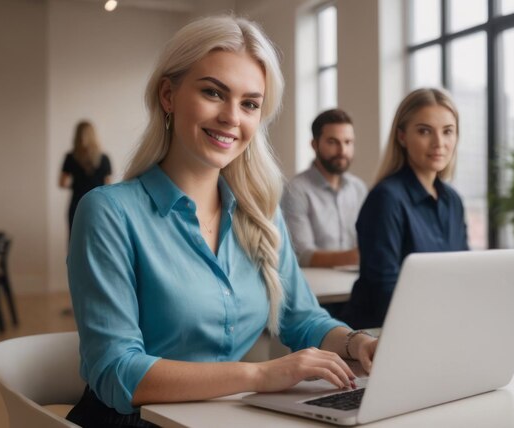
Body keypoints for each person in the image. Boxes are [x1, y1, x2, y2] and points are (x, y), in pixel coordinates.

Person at [65, 15, 377, 427]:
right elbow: (116, 372)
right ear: (168, 95)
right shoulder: (109, 213)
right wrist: (261, 375)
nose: (233, 117)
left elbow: (300, 318)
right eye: (214, 92)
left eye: (250, 103)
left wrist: (357, 343)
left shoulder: (260, 213)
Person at [340, 88, 469, 329]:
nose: (439, 143)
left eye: (448, 131)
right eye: (424, 131)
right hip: (380, 336)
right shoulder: (386, 199)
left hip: (437, 328)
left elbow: (463, 275)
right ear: (402, 136)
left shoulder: (453, 201)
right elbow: (384, 293)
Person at [281, 109, 367, 268]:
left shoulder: (358, 188)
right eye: (333, 142)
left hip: (355, 282)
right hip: (316, 287)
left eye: (348, 142)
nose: (342, 151)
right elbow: (303, 256)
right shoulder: (296, 190)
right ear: (314, 144)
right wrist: (362, 254)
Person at [59, 120, 112, 235]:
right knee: (97, 238)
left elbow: (62, 183)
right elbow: (108, 186)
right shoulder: (104, 158)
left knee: (75, 240)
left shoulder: (70, 157)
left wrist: (76, 185)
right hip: (98, 205)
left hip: (77, 204)